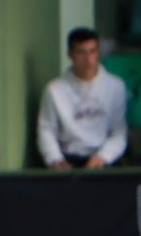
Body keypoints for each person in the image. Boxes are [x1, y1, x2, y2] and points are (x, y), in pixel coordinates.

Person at [36, 28, 128, 170]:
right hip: (68, 160)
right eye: (81, 52)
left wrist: (103, 157)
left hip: (105, 160)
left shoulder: (115, 87)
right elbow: (46, 129)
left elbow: (119, 132)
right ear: (70, 55)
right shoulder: (54, 90)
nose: (88, 59)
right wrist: (54, 158)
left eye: (93, 51)